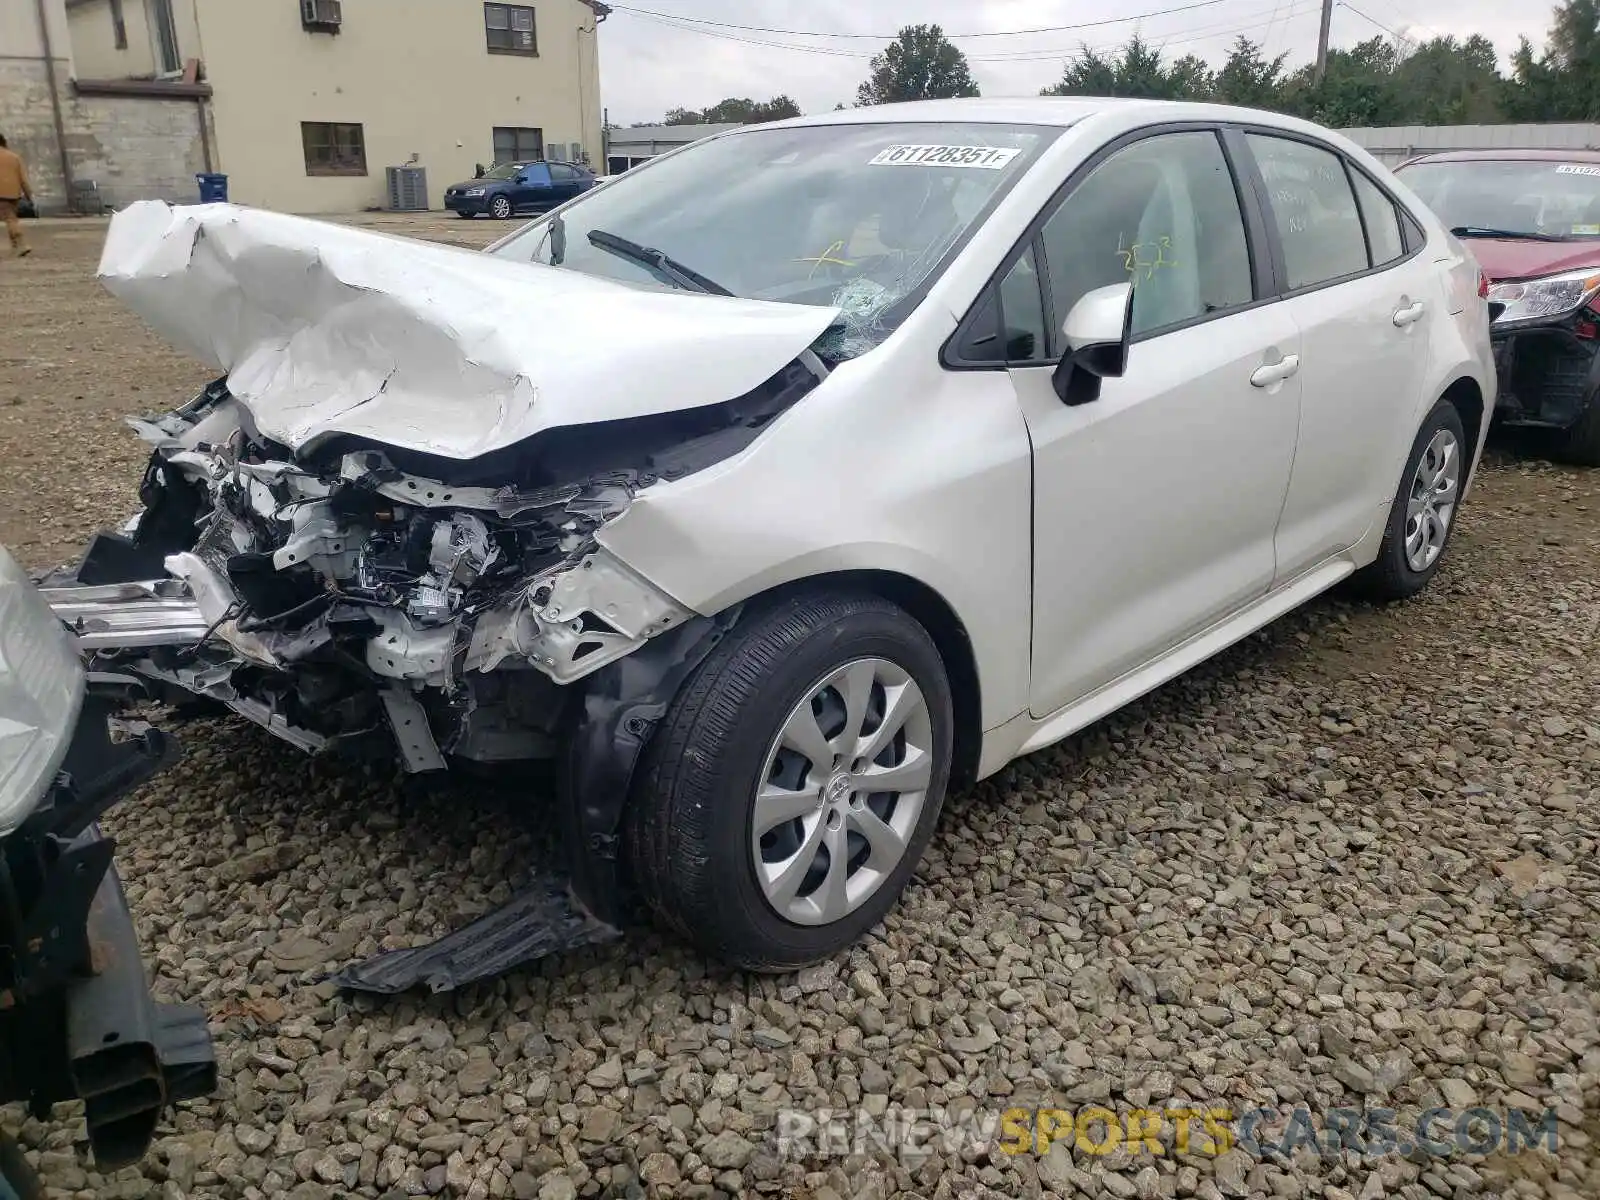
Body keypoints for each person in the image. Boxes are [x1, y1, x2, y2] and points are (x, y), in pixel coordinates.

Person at [0, 133, 33, 257]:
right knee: (11, 218)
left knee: (10, 220)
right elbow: (23, 179)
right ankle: (16, 246)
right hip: (13, 194)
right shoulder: (14, 157)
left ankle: (21, 245)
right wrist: (29, 195)